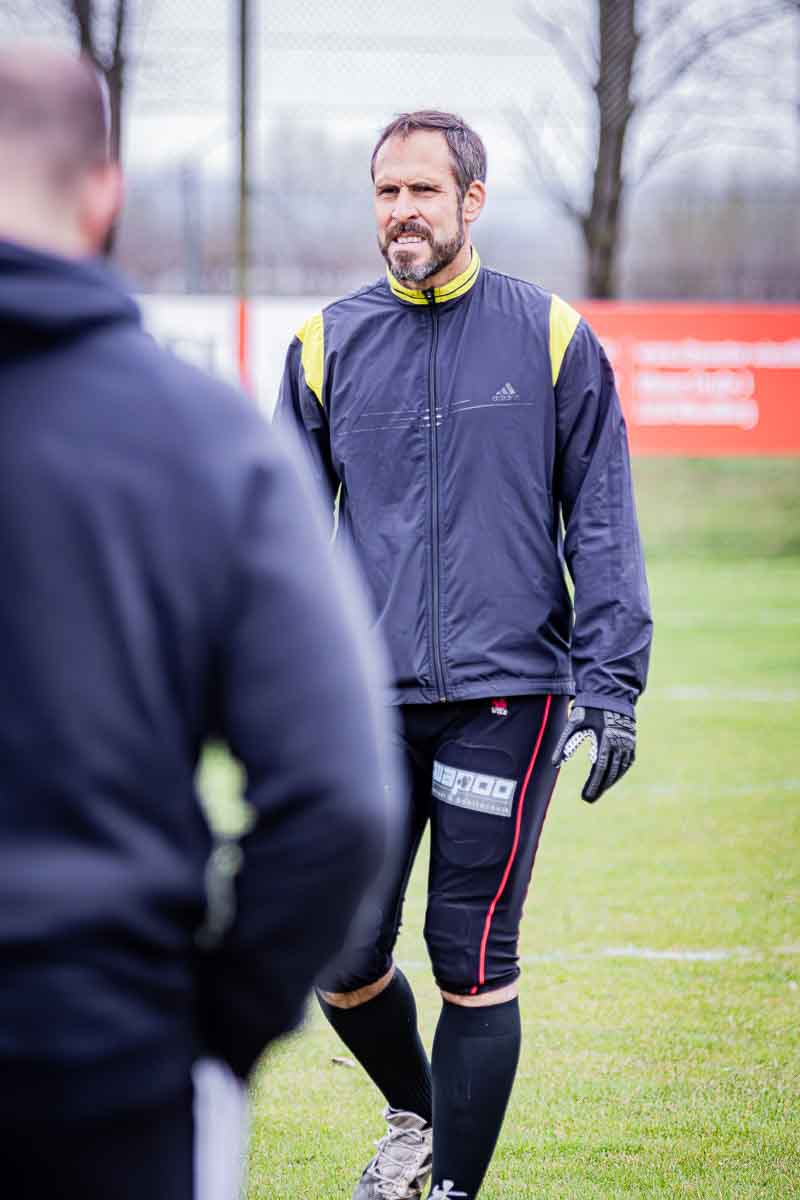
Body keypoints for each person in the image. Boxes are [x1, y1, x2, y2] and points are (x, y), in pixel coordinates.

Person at [0, 47, 397, 1200]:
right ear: (105, 193)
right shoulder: (204, 441)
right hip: (105, 1068)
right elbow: (340, 798)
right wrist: (213, 1029)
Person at [275, 110, 653, 1199]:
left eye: (423, 191)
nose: (401, 211)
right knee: (341, 951)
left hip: (507, 695)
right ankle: (420, 1119)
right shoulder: (323, 345)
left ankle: (448, 1191)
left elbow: (601, 520)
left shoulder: (550, 335)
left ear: (471, 201)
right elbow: (281, 544)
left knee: (469, 953)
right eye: (386, 191)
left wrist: (610, 683)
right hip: (364, 704)